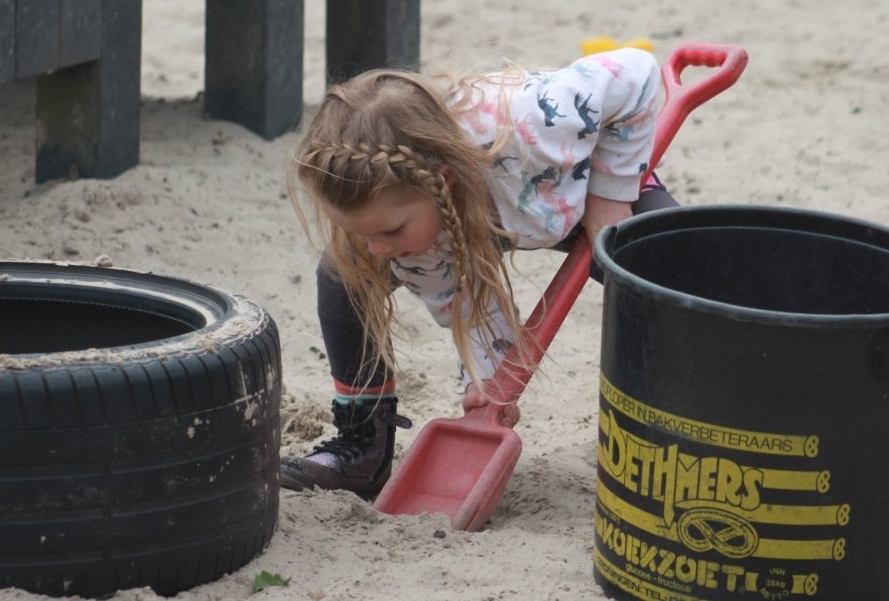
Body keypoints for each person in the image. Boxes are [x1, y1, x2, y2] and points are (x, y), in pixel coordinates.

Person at [279, 47, 677, 499]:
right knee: (343, 273)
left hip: (578, 180)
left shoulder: (537, 123)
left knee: (668, 274)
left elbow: (635, 73)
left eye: (389, 229)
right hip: (485, 215)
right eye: (362, 232)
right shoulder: (413, 234)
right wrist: (486, 381)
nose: (378, 248)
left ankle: (678, 430)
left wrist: (611, 193)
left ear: (442, 182)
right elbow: (466, 296)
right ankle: (362, 447)